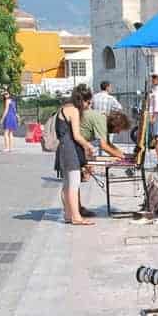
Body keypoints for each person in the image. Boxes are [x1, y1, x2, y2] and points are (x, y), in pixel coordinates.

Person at [54, 83, 97, 225]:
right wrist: (89, 146)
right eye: (88, 102)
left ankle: (68, 214)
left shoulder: (64, 108)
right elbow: (77, 136)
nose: (88, 105)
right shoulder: (74, 111)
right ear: (82, 100)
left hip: (63, 148)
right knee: (74, 183)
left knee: (67, 184)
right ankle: (76, 217)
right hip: (70, 149)